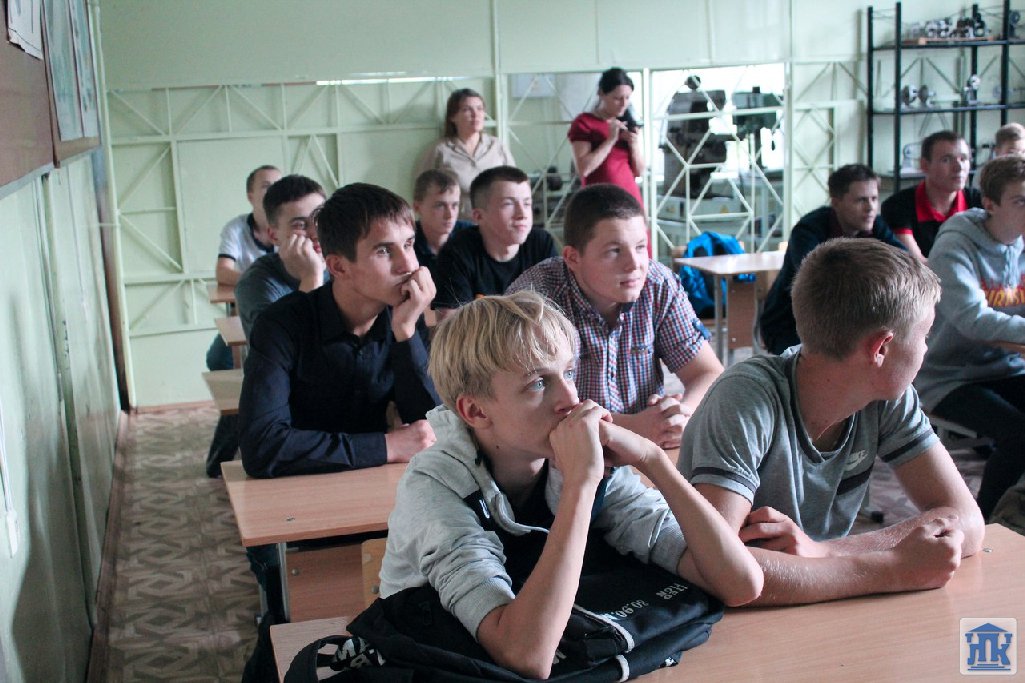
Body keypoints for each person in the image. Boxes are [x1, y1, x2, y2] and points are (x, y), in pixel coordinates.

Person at [379, 291, 762, 679]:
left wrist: (653, 460)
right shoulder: (434, 488)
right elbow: (525, 655)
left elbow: (740, 584)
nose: (571, 398)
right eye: (537, 383)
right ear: (476, 410)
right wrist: (581, 484)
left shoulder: (575, 457)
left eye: (568, 372)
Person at [679, 239, 985, 606]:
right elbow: (716, 569)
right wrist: (890, 569)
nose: (926, 349)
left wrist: (827, 552)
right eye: (924, 335)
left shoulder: (888, 397)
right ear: (881, 348)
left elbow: (967, 521)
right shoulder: (745, 399)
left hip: (818, 599)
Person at [238, 182, 439, 478]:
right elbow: (262, 447)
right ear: (338, 267)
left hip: (374, 481)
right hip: (296, 487)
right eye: (384, 251)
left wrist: (406, 333)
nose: (407, 264)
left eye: (409, 244)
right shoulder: (280, 325)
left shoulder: (404, 316)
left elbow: (432, 429)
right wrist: (387, 446)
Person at [509, 183, 721, 449]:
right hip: (562, 456)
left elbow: (708, 372)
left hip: (648, 448)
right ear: (572, 258)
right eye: (614, 251)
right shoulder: (536, 300)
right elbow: (525, 413)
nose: (635, 265)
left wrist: (680, 416)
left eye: (640, 247)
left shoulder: (658, 285)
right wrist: (629, 427)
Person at [915, 154, 1025, 520]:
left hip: (1007, 367)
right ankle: (988, 523)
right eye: (1020, 201)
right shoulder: (957, 244)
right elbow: (973, 320)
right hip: (950, 376)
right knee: (1018, 435)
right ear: (990, 204)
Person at [760, 164, 906, 355]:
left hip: (849, 323)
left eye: (874, 198)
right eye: (861, 200)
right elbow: (819, 282)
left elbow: (904, 263)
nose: (870, 208)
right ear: (836, 203)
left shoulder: (875, 224)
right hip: (791, 324)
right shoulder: (808, 230)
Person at [432, 165, 557, 320]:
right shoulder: (455, 254)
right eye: (508, 204)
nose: (522, 214)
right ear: (478, 216)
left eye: (527, 203)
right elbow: (449, 326)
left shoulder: (541, 244)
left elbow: (557, 313)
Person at [205, 165, 282, 373]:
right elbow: (222, 272)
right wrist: (259, 283)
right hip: (248, 306)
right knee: (218, 360)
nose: (273, 191)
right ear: (250, 196)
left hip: (285, 306)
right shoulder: (236, 228)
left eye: (278, 185)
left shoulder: (292, 226)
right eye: (266, 186)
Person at [234, 175, 326, 338]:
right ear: (273, 235)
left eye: (321, 219)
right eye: (300, 225)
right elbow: (286, 347)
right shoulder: (254, 283)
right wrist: (311, 276)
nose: (316, 233)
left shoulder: (345, 265)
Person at [881, 130, 982, 261]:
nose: (959, 167)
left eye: (963, 159)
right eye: (946, 160)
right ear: (924, 165)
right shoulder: (898, 205)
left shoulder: (981, 202)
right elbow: (916, 263)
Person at [415, 88, 515, 220]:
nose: (475, 114)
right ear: (453, 117)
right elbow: (422, 189)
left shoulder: (497, 146)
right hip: (457, 222)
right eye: (467, 109)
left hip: (496, 220)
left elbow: (514, 184)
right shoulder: (441, 150)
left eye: (479, 109)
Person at [568, 68, 646, 208]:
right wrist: (610, 140)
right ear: (601, 94)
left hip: (630, 198)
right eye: (617, 98)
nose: (623, 103)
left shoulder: (626, 123)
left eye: (627, 98)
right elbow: (583, 169)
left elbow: (639, 172)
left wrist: (634, 145)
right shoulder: (584, 122)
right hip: (600, 201)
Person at [411, 169, 473, 278]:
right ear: (417, 207)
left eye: (455, 205)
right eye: (440, 206)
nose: (449, 215)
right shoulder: (406, 244)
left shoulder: (471, 237)